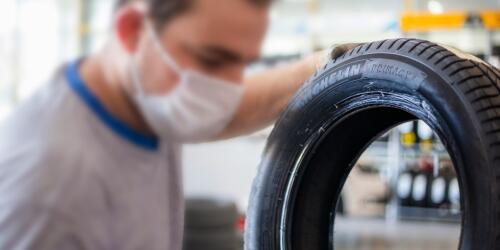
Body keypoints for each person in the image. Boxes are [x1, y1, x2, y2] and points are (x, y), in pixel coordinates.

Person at [0, 0, 358, 249]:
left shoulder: (147, 100)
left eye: (241, 62)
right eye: (212, 59)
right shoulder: (47, 184)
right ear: (132, 31)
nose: (228, 84)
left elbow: (239, 104)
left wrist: (327, 64)